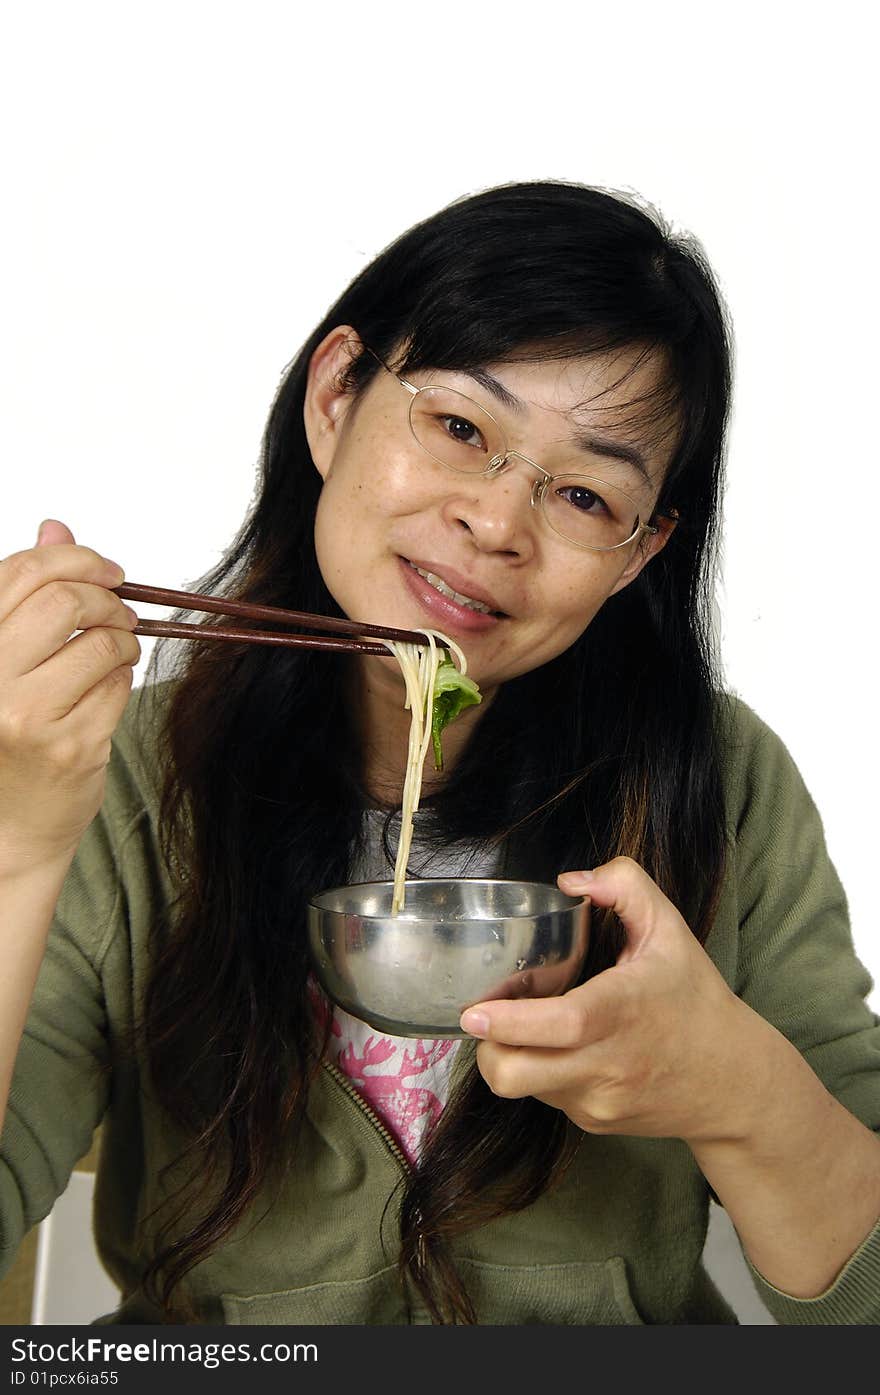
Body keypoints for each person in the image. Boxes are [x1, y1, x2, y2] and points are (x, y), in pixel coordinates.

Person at [0, 181, 878, 1327]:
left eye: (580, 493)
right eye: (460, 427)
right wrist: (18, 848)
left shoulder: (719, 784)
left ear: (636, 553)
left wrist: (743, 1097)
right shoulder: (121, 774)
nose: (498, 524)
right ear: (334, 398)